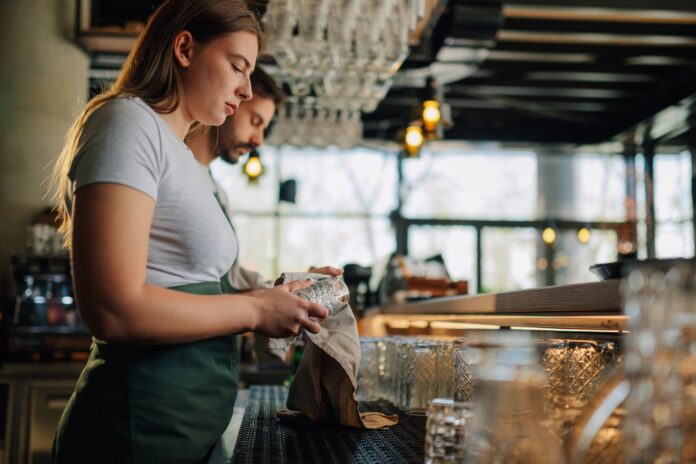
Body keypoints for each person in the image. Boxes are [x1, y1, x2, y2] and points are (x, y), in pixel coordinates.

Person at [49, 1, 328, 462]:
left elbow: (194, 282)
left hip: (186, 431)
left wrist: (284, 295)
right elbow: (114, 309)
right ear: (184, 47)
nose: (244, 89)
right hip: (134, 432)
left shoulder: (184, 158)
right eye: (237, 67)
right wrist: (255, 313)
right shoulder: (127, 122)